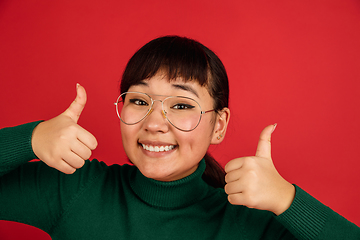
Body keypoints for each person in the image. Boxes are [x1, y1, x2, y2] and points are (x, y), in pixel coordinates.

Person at [0, 36, 359, 239]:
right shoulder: (74, 191)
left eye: (182, 105)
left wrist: (288, 200)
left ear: (219, 125)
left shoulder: (251, 224)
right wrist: (29, 139)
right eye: (139, 100)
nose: (155, 122)